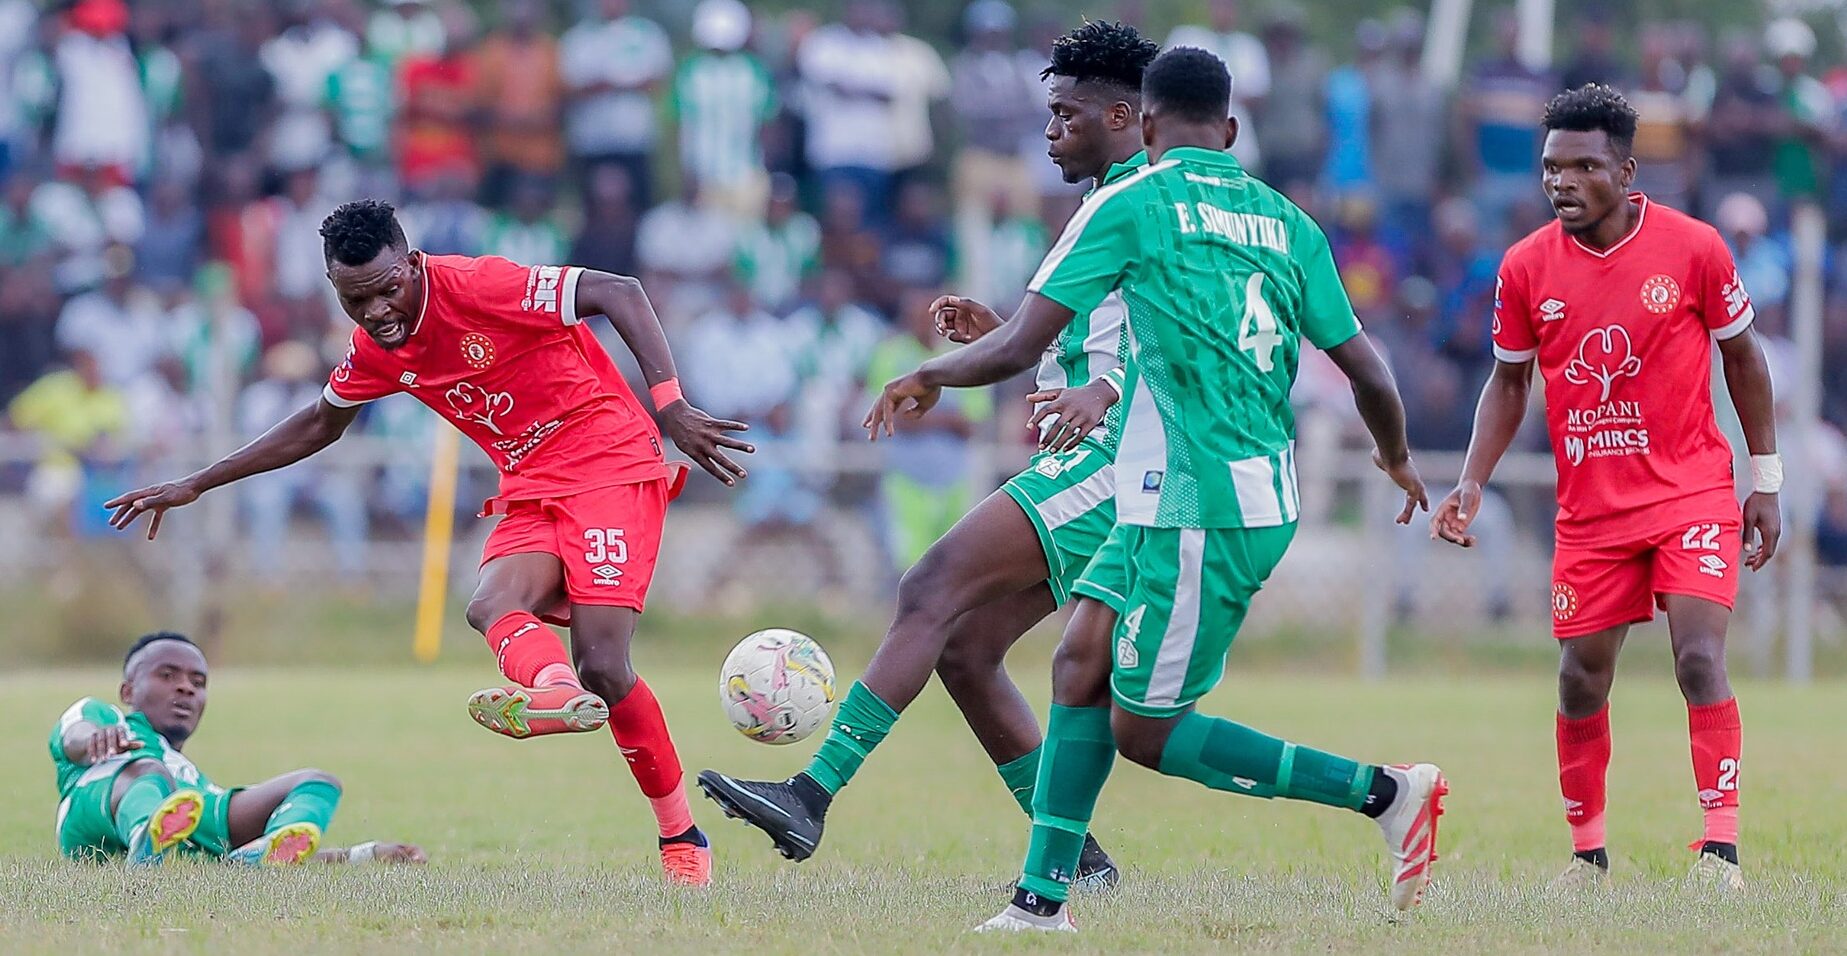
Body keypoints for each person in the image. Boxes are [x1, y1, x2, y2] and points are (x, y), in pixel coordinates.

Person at [852, 47, 1445, 931]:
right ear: (1232, 130)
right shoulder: (1288, 221)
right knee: (1077, 665)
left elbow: (1022, 345)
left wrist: (929, 371)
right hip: (1185, 490)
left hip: (1204, 504)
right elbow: (1366, 368)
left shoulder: (1131, 201)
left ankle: (1387, 794)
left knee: (1146, 731)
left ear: (1150, 126)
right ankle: (1040, 905)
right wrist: (1394, 455)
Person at [102, 200, 752, 886]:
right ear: (335, 289)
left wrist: (670, 405)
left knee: (605, 665)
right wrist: (198, 482)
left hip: (610, 464)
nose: (377, 311)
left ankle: (682, 836)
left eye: (387, 289)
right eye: (356, 300)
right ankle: (556, 694)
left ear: (412, 264)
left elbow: (618, 291)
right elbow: (319, 424)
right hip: (532, 482)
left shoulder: (479, 286)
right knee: (489, 603)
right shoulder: (376, 349)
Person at [696, 22, 1162, 888]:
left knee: (928, 586)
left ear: (1120, 115)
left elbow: (1180, 343)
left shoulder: (1130, 202)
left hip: (1113, 459)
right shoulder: (1126, 199)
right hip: (1110, 455)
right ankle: (1081, 862)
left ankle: (808, 796)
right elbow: (1107, 334)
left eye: (1065, 115)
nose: (1049, 131)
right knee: (966, 648)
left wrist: (936, 371)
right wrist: (1011, 336)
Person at [1432, 84, 1780, 895]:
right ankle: (1586, 859)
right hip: (1591, 510)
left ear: (1625, 172)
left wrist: (1764, 478)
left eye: (1584, 166)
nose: (1563, 181)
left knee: (1698, 657)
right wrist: (1471, 481)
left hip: (1690, 492)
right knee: (1578, 678)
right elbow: (1507, 383)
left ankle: (1719, 855)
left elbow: (1743, 357)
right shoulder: (1524, 266)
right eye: (1551, 167)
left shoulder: (1693, 248)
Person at [50, 631, 426, 866]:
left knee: (318, 782)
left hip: (182, 811)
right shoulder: (109, 719)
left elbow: (224, 850)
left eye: (198, 682)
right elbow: (72, 735)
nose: (186, 688)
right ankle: (145, 839)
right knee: (150, 773)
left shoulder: (194, 787)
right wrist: (93, 740)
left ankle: (253, 855)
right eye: (167, 675)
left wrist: (363, 854)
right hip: (94, 812)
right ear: (128, 690)